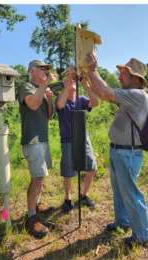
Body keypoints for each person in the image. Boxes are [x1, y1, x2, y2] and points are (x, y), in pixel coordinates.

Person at [85, 53, 148, 248]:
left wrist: (92, 70)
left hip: (128, 153)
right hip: (120, 151)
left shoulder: (137, 95)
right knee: (120, 191)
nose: (119, 76)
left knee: (130, 193)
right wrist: (89, 76)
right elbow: (105, 90)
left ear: (135, 78)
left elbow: (105, 93)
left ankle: (143, 235)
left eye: (123, 74)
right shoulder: (130, 95)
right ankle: (123, 222)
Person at [19, 60, 54, 239]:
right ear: (33, 71)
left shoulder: (42, 89)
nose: (46, 72)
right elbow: (32, 104)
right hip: (33, 139)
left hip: (43, 138)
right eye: (43, 69)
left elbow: (49, 115)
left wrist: (49, 98)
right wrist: (43, 87)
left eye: (47, 69)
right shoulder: (26, 86)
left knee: (40, 176)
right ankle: (31, 216)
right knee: (37, 177)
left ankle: (37, 203)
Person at [55, 67, 99, 213]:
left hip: (83, 138)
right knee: (68, 170)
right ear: (64, 83)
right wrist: (67, 84)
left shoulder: (81, 99)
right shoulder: (61, 98)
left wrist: (85, 84)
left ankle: (83, 195)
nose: (71, 80)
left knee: (91, 167)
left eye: (73, 79)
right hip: (68, 140)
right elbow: (60, 105)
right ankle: (67, 199)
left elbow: (95, 102)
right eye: (68, 79)